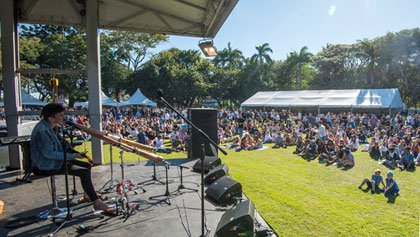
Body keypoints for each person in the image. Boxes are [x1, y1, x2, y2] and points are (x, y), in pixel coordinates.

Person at [30, 103, 114, 214]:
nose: (63, 117)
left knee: (87, 165)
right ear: (51, 118)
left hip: (56, 160)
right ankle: (96, 203)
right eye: (60, 115)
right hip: (47, 164)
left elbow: (62, 146)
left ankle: (88, 195)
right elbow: (49, 154)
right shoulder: (42, 131)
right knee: (83, 172)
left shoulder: (51, 127)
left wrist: (77, 153)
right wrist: (73, 156)